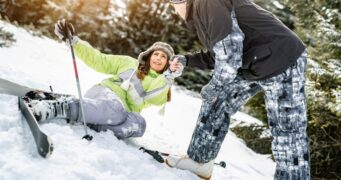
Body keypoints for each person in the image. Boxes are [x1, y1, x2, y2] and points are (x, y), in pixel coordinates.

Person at [166, 0, 310, 179]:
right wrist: (187, 60)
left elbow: (229, 56)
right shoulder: (201, 14)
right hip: (254, 63)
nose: (173, 8)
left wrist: (214, 87)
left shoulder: (207, 3)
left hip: (283, 58)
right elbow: (219, 54)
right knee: (217, 101)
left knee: (287, 129)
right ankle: (199, 161)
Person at [29, 20, 183, 140]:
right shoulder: (129, 63)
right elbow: (99, 60)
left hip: (120, 114)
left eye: (164, 57)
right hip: (105, 94)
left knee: (139, 125)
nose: (158, 58)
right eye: (156, 54)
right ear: (149, 55)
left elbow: (156, 99)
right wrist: (74, 41)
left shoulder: (162, 84)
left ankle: (90, 118)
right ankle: (58, 107)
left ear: (167, 64)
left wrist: (168, 77)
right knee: (116, 110)